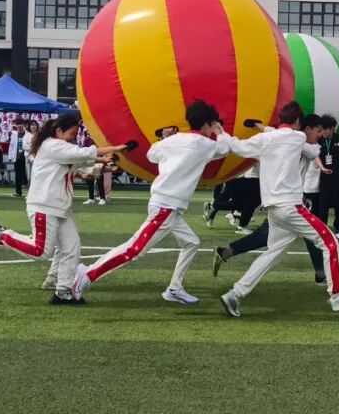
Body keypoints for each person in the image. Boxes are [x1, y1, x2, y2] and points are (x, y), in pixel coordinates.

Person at [72, 100, 230, 304]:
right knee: (134, 249)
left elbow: (152, 155)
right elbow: (225, 148)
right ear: (207, 124)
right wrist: (220, 130)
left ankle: (175, 289)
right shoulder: (205, 145)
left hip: (166, 204)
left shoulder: (173, 141)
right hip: (167, 206)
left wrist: (166, 139)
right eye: (212, 125)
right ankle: (88, 274)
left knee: (192, 243)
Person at [217, 101, 339, 317]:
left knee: (272, 254)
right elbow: (314, 149)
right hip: (290, 206)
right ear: (298, 123)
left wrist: (220, 131)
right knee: (330, 242)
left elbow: (236, 146)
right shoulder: (297, 138)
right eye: (317, 131)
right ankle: (337, 295)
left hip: (274, 208)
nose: (320, 135)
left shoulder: (269, 139)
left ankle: (235, 294)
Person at [0, 112, 122, 304]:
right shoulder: (52, 146)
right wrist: (115, 149)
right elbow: (83, 154)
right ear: (59, 131)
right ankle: (0, 235)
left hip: (59, 206)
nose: (74, 137)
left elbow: (80, 165)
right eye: (72, 133)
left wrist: (105, 166)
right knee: (41, 251)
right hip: (45, 205)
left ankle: (63, 291)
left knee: (71, 247)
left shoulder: (58, 148)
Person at [210, 113, 328, 286]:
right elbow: (280, 137)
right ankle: (323, 276)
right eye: (318, 131)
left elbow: (274, 133)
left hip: (286, 200)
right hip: (284, 201)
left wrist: (259, 125)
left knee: (292, 236)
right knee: (309, 235)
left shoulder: (296, 142)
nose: (321, 135)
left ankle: (321, 274)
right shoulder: (294, 141)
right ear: (307, 129)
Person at [7, 119, 29, 197]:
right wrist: (10, 156)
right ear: (16, 125)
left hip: (26, 158)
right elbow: (11, 145)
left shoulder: (28, 134)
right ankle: (18, 191)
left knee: (28, 175)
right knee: (18, 175)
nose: (19, 126)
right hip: (17, 157)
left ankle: (30, 193)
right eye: (18, 124)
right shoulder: (14, 134)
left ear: (24, 125)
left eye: (21, 124)